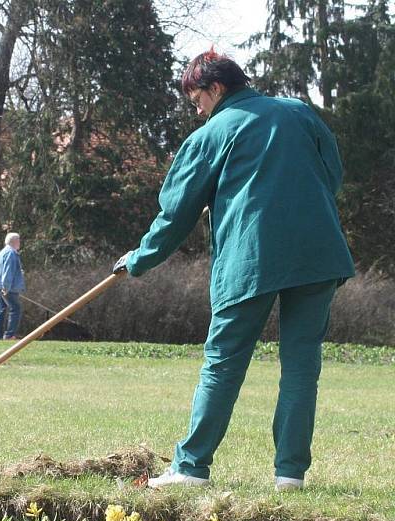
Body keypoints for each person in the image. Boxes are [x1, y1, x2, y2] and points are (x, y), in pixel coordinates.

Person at [112, 49, 355, 492]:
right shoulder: (299, 112)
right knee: (301, 365)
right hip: (318, 254)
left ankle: (189, 469)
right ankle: (290, 476)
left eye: (197, 100)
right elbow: (331, 174)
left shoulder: (213, 133)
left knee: (222, 363)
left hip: (251, 260)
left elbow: (175, 214)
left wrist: (140, 258)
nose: (198, 110)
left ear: (216, 88)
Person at [0, 232, 26, 340]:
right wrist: (6, 287)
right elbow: (7, 272)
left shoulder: (2, 252)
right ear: (15, 241)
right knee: (16, 308)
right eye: (19, 240)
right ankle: (10, 335)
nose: (20, 242)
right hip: (7, 288)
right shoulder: (11, 253)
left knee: (0, 311)